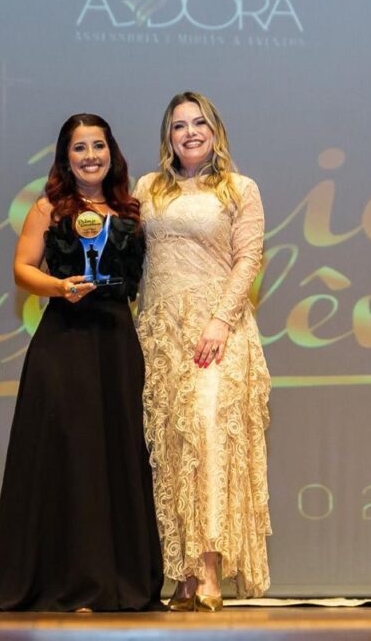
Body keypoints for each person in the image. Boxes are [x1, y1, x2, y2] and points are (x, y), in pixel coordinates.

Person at [0, 114, 163, 612]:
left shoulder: (132, 209)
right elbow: (22, 270)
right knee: (70, 454)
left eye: (98, 146)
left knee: (115, 454)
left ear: (111, 152)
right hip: (64, 340)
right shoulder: (47, 208)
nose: (90, 156)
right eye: (79, 148)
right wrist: (59, 287)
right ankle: (68, 581)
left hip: (116, 342)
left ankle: (117, 581)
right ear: (65, 157)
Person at [134, 91, 272, 611]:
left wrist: (219, 321)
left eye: (199, 123)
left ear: (215, 132)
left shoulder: (239, 188)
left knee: (209, 437)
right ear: (167, 137)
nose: (189, 132)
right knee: (173, 450)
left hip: (217, 332)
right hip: (161, 334)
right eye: (179, 125)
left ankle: (210, 570)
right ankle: (184, 575)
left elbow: (248, 259)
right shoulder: (147, 188)